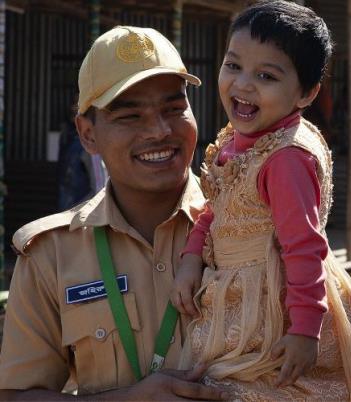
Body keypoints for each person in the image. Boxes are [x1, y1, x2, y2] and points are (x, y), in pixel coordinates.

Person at [170, 2, 351, 400]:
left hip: (277, 309)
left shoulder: (286, 158)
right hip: (235, 301)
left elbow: (304, 246)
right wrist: (190, 258)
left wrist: (304, 330)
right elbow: (215, 207)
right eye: (233, 66)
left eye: (266, 75)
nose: (243, 85)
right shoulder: (237, 141)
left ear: (306, 93)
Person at [0, 26, 226, 400]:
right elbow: (17, 395)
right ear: (87, 134)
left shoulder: (247, 226)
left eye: (174, 108)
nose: (158, 130)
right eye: (129, 116)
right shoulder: (51, 255)